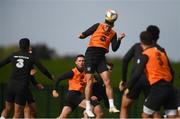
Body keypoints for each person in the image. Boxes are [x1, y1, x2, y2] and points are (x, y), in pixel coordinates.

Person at [78, 9, 125, 117]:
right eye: (107, 24)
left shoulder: (113, 33)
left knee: (107, 81)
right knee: (89, 81)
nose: (108, 26)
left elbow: (114, 48)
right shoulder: (97, 25)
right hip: (90, 54)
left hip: (101, 57)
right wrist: (81, 35)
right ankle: (88, 107)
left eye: (110, 25)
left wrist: (119, 39)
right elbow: (85, 34)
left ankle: (112, 106)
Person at [124, 31, 177, 118]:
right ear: (152, 41)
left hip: (158, 88)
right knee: (171, 116)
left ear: (141, 42)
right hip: (170, 88)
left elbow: (137, 73)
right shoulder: (162, 53)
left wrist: (128, 87)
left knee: (145, 115)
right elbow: (172, 71)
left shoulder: (145, 54)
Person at [0, 38, 53, 118]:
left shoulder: (13, 55)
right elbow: (43, 69)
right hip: (21, 86)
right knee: (17, 113)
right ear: (28, 46)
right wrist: (50, 76)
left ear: (19, 45)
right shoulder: (31, 57)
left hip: (11, 85)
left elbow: (1, 64)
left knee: (7, 109)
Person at [119, 25, 162, 118]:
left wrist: (124, 80)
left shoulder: (138, 46)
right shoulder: (160, 50)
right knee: (154, 111)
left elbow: (125, 60)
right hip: (152, 81)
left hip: (136, 80)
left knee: (125, 106)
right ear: (158, 36)